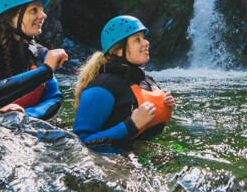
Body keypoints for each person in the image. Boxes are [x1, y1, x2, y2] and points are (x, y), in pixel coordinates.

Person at [72, 15, 176, 143]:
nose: (146, 43)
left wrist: (165, 106)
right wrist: (131, 125)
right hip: (110, 160)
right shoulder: (102, 86)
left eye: (144, 38)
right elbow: (81, 141)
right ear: (119, 50)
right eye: (137, 39)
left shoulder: (147, 81)